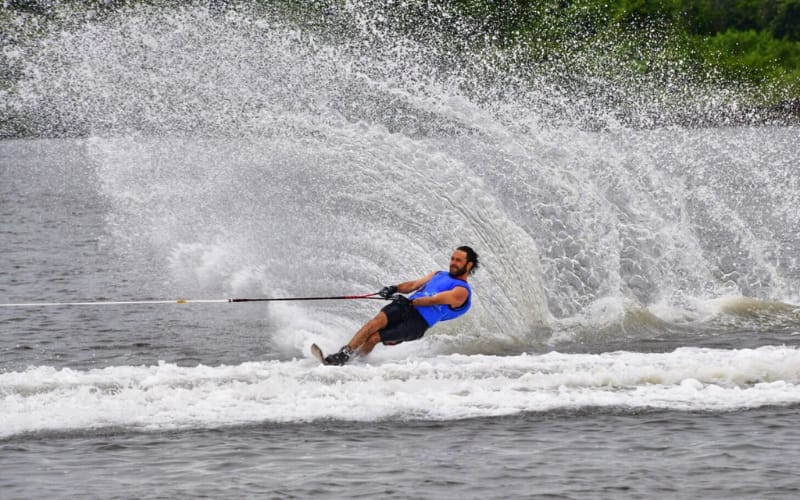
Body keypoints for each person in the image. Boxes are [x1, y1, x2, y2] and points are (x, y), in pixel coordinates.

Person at [324, 246, 479, 365]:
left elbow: (434, 300)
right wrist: (394, 288)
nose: (453, 263)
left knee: (374, 338)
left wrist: (411, 301)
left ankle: (356, 362)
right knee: (374, 323)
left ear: (469, 265)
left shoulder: (462, 291)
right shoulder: (439, 274)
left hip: (418, 323)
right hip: (406, 307)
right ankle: (344, 355)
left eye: (458, 260)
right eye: (452, 258)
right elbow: (413, 285)